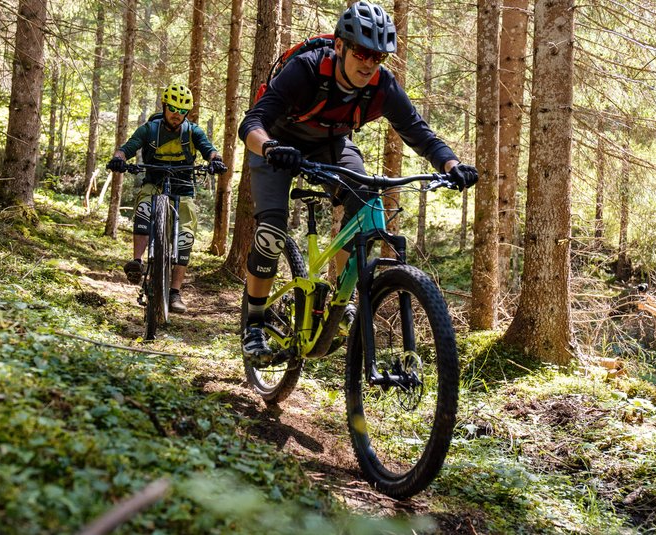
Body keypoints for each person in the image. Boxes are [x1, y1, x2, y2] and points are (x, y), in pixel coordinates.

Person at [237, 1, 478, 361]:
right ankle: (254, 322)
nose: (369, 63)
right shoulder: (305, 71)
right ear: (339, 46)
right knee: (271, 231)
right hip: (276, 143)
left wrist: (451, 165)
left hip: (330, 146)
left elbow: (418, 133)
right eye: (362, 52)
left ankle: (341, 298)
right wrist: (270, 147)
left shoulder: (381, 86)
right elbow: (251, 123)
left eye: (378, 56)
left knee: (365, 196)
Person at [107, 84, 226, 314]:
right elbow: (127, 148)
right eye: (172, 108)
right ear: (164, 106)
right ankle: (137, 262)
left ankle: (174, 293)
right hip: (154, 182)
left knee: (185, 237)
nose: (176, 114)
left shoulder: (193, 132)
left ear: (187, 112)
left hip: (183, 187)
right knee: (143, 206)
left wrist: (215, 160)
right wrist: (118, 158)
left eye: (182, 110)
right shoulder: (150, 129)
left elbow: (209, 149)